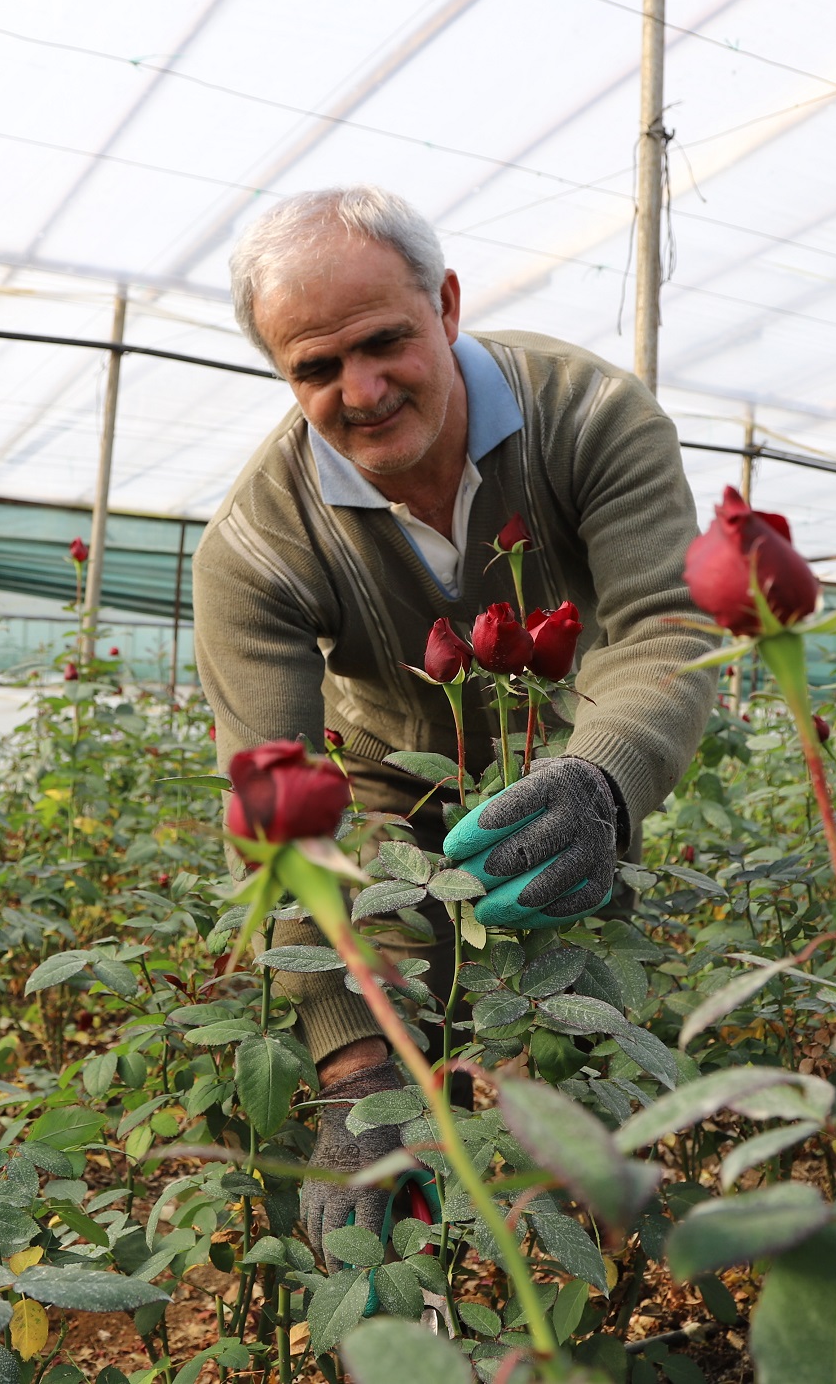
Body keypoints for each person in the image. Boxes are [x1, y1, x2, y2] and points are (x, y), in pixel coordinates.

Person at [193, 186, 717, 1250]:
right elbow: (281, 817)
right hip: (387, 809)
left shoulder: (589, 417)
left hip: (566, 775)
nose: (364, 390)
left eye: (385, 341)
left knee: (568, 1103)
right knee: (393, 1128)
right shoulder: (256, 546)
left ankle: (582, 1304)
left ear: (446, 303)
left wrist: (602, 784)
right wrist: (350, 1065)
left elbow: (665, 623)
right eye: (317, 369)